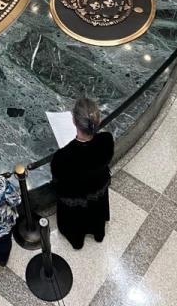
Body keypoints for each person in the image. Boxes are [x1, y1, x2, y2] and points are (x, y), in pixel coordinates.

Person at [49, 97, 114, 250]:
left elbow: (58, 182)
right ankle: (98, 233)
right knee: (95, 214)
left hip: (74, 198)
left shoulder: (62, 156)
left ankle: (77, 241)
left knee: (75, 223)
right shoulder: (106, 140)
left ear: (73, 121)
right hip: (97, 189)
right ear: (98, 120)